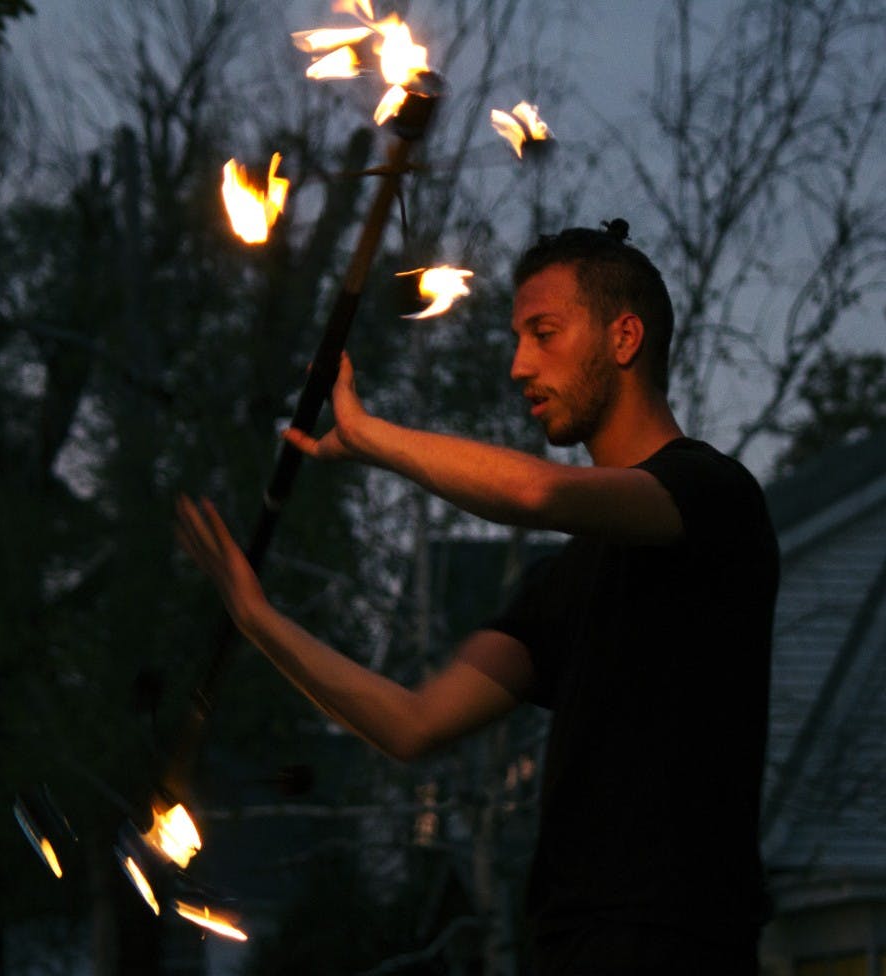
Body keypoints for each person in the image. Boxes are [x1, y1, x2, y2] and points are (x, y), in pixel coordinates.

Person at [176, 220, 779, 976]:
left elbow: (535, 489)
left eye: (544, 333)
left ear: (625, 338)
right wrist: (257, 619)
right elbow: (412, 723)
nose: (519, 366)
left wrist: (371, 439)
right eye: (517, 338)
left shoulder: (714, 498)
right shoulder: (563, 584)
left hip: (678, 943)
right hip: (567, 946)